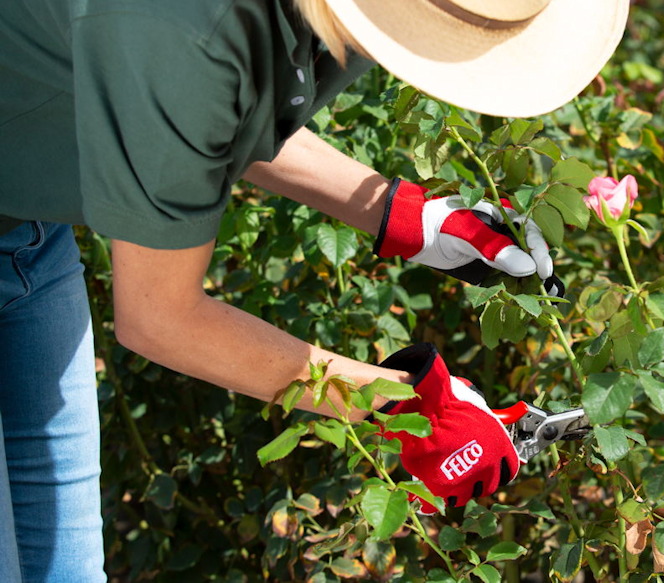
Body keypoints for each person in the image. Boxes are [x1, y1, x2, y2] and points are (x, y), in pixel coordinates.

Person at [0, 0, 629, 580]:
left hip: (26, 230)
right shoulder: (184, 22)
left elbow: (189, 114)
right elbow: (158, 316)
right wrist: (402, 406)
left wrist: (406, 217)